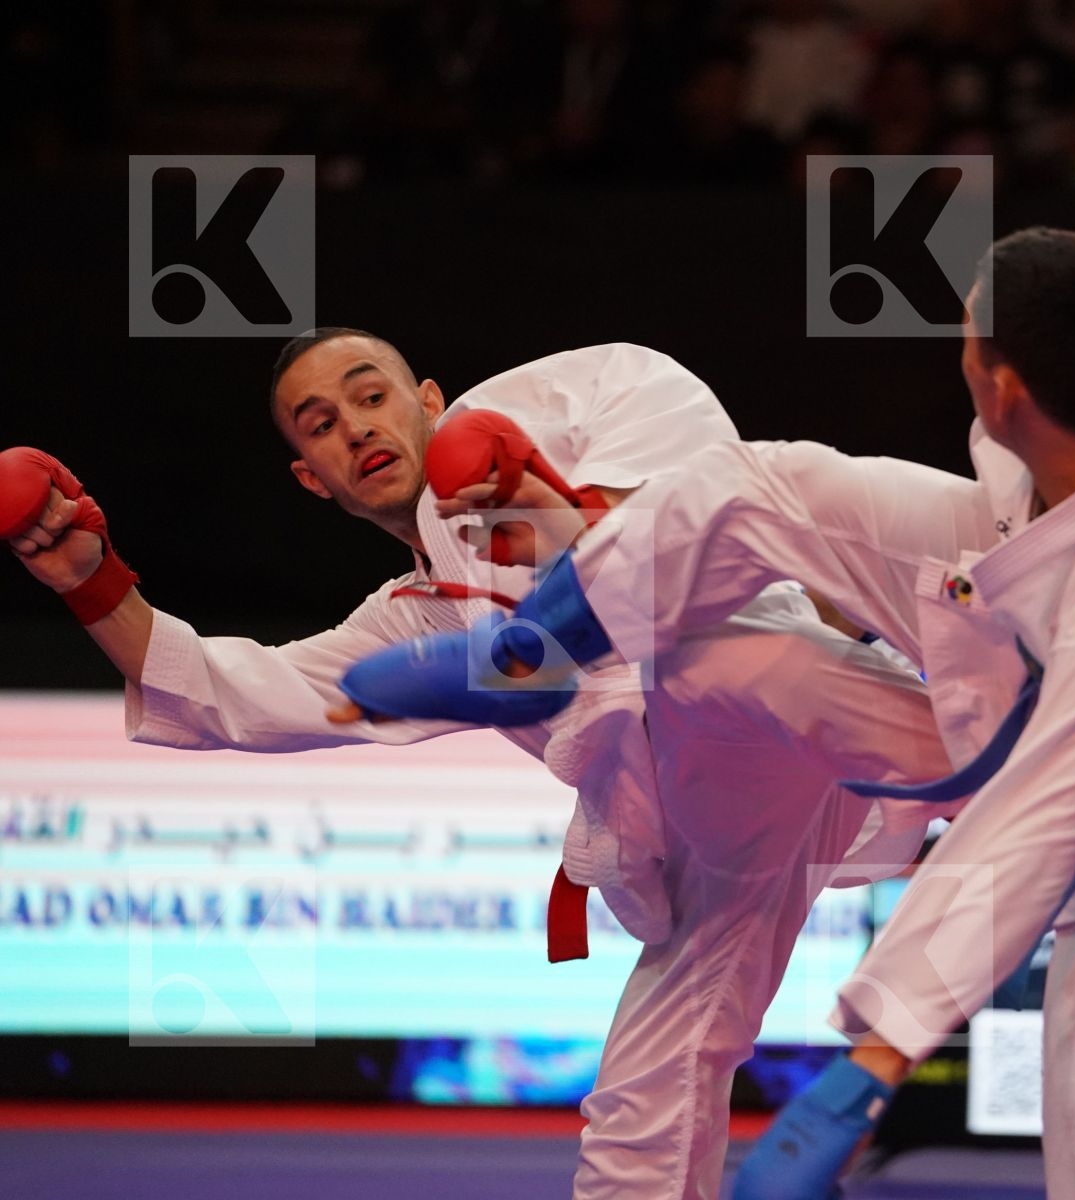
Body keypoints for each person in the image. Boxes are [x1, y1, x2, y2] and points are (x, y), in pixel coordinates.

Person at [343, 229, 1075, 1198]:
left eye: (968, 337)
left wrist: (868, 1070)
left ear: (1002, 389)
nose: (957, 350)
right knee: (767, 485)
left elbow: (1041, 817)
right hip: (1022, 580)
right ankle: (537, 647)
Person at [2, 332, 952, 1200]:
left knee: (740, 658)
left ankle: (562, 643)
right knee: (639, 1107)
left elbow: (673, 419)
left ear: (428, 398)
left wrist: (558, 508)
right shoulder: (414, 618)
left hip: (772, 686)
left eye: (370, 396)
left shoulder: (525, 418)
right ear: (311, 479)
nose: (355, 428)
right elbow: (232, 695)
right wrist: (91, 582)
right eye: (321, 426)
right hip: (717, 828)